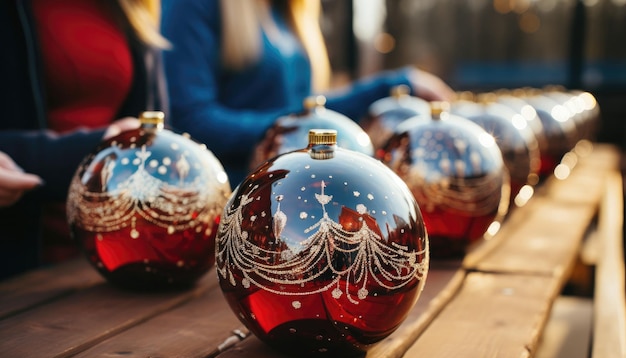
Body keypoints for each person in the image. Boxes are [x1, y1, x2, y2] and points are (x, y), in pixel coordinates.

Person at [161, 0, 456, 185]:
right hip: (241, 197)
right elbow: (193, 120)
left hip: (300, 183)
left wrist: (393, 86)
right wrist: (296, 130)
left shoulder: (286, 11)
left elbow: (308, 111)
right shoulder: (194, 6)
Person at [0, 0, 169, 279]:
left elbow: (157, 125)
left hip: (115, 259)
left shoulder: (131, 6)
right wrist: (99, 151)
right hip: (22, 269)